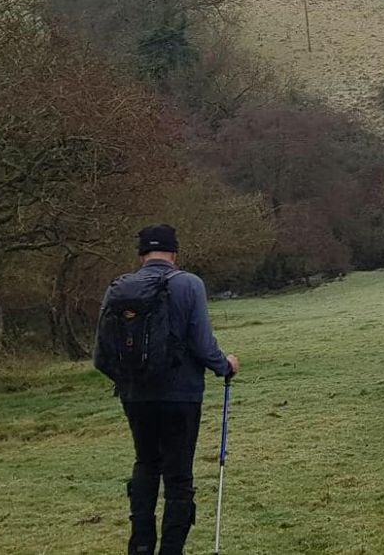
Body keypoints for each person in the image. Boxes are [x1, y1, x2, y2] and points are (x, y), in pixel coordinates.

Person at [94, 224, 239, 555]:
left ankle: (141, 546)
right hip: (181, 396)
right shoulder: (189, 284)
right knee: (178, 475)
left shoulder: (118, 290)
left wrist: (128, 379)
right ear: (174, 254)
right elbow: (203, 345)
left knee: (146, 463)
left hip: (136, 397)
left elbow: (100, 356)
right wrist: (225, 365)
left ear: (142, 255)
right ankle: (172, 550)